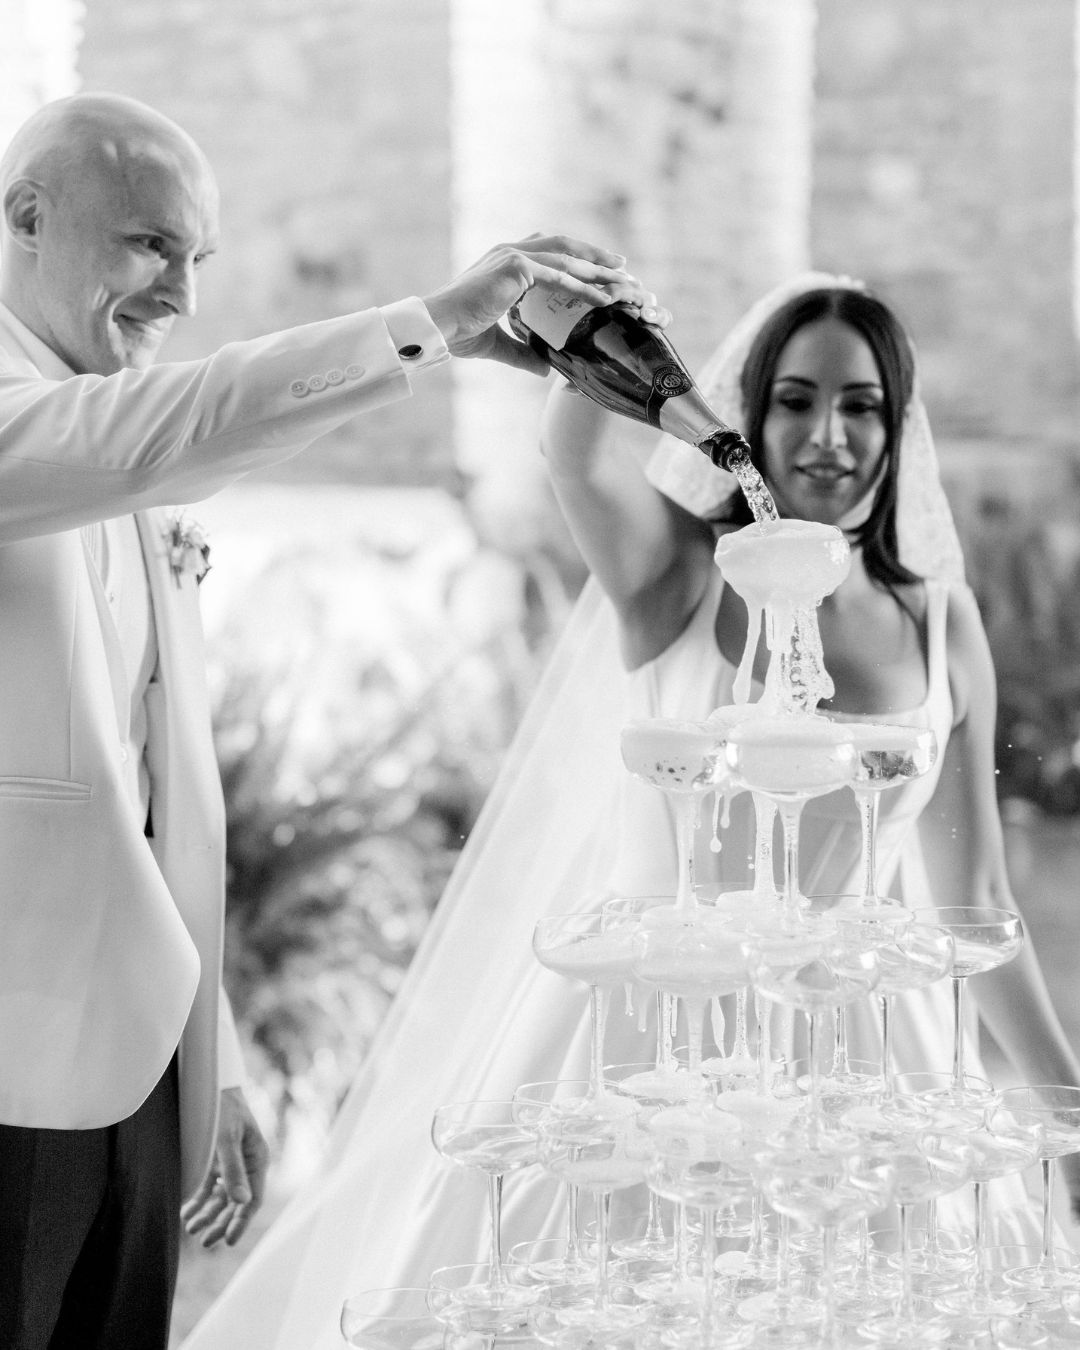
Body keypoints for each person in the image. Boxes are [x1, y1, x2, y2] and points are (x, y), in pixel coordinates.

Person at [182, 274, 1080, 1350]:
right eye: (794, 401)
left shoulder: (942, 622)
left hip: (869, 1060)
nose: (828, 436)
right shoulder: (676, 575)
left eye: (862, 405)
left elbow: (977, 900)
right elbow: (572, 455)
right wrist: (598, 318)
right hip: (651, 1050)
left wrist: (1068, 1113)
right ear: (749, 416)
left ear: (900, 428)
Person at [0, 89, 658, 1350]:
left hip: (135, 1071)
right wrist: (434, 327)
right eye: (150, 245)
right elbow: (153, 432)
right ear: (28, 216)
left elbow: (152, 798)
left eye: (198, 257)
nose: (181, 294)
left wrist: (210, 1058)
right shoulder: (86, 427)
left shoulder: (118, 431)